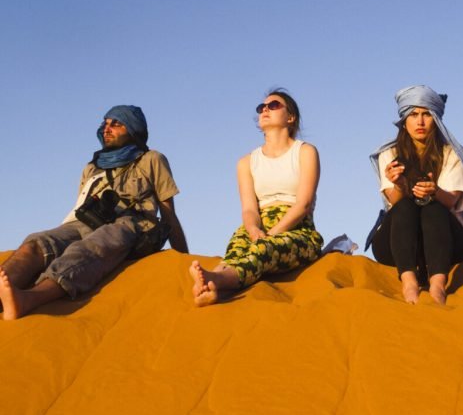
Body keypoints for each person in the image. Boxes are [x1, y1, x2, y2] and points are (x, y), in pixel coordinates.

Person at [0, 105, 188, 320]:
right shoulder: (92, 167)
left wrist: (183, 263)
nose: (107, 129)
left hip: (131, 225)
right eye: (105, 124)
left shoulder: (152, 159)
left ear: (134, 129)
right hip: (85, 222)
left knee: (87, 249)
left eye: (116, 123)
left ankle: (28, 299)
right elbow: (79, 209)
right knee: (37, 243)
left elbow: (168, 213)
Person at [190, 90, 323, 306]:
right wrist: (253, 229)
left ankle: (215, 281)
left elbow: (303, 204)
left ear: (291, 117)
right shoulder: (246, 162)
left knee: (263, 250)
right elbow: (249, 209)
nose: (265, 110)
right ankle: (210, 287)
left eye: (274, 105)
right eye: (262, 107)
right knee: (235, 249)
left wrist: (270, 235)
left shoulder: (305, 151)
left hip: (298, 229)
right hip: (257, 224)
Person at [367, 85, 463, 305]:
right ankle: (409, 282)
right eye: (413, 114)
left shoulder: (450, 154)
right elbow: (394, 201)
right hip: (398, 242)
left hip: (446, 240)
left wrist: (435, 191)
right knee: (405, 206)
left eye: (426, 114)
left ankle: (438, 284)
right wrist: (399, 184)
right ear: (404, 120)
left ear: (436, 119)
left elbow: (452, 200)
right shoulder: (388, 154)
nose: (420, 122)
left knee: (433, 206)